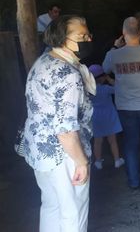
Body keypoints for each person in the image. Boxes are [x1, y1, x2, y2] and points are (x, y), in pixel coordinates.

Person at [20, 15, 95, 232]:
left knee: (52, 205)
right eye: (81, 36)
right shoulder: (68, 74)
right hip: (65, 155)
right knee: (73, 212)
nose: (88, 39)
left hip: (40, 152)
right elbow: (66, 130)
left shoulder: (43, 61)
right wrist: (81, 162)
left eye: (88, 34)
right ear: (62, 39)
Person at [102, 17, 140, 190]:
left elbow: (104, 70)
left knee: (130, 144)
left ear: (123, 33)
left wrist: (115, 46)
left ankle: (134, 181)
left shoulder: (113, 55)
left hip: (126, 107)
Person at [88, 64, 124, 170]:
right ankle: (117, 160)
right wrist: (110, 79)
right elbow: (119, 88)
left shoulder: (88, 91)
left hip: (95, 117)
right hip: (108, 116)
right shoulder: (106, 88)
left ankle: (98, 162)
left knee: (97, 141)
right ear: (103, 77)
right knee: (112, 140)